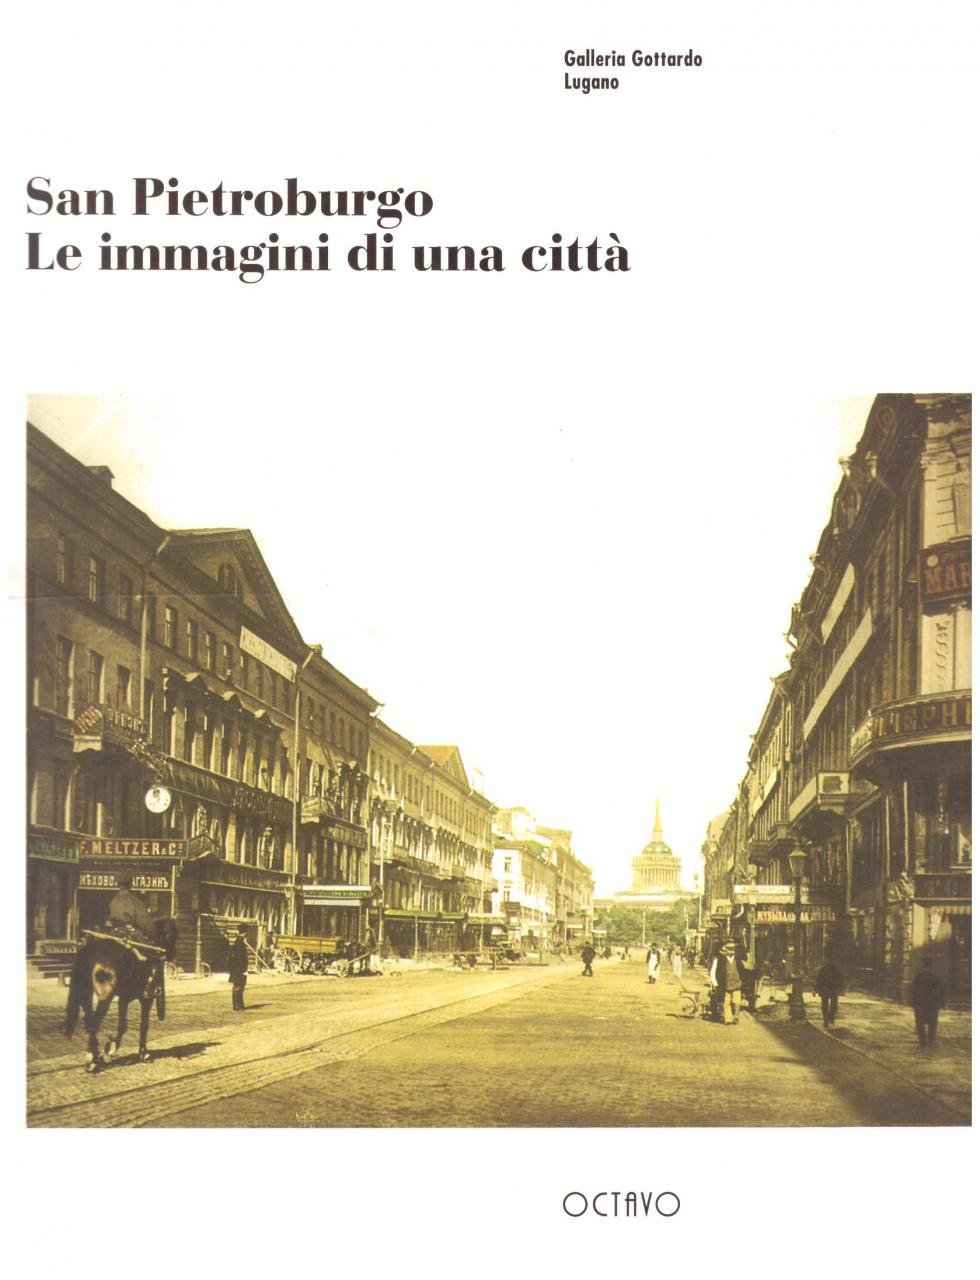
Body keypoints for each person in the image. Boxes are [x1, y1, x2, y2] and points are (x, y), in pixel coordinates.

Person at [107, 875, 157, 956]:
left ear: (118, 885)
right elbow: (145, 923)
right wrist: (153, 934)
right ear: (131, 886)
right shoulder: (135, 902)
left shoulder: (113, 901)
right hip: (131, 933)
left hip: (114, 932)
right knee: (149, 953)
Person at [911, 956, 945, 1047]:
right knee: (932, 1023)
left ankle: (922, 1041)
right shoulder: (935, 977)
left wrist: (912, 1002)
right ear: (931, 966)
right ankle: (931, 1041)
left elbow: (913, 990)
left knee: (920, 1022)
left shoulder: (918, 976)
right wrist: (942, 1002)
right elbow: (940, 990)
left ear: (923, 965)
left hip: (920, 1004)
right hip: (932, 1004)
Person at [709, 939, 742, 1024]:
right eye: (729, 949)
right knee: (726, 1003)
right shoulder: (719, 959)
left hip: (737, 984)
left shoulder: (738, 959)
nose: (732, 951)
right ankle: (728, 1019)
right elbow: (712, 972)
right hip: (724, 985)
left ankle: (736, 1017)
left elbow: (742, 971)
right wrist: (715, 983)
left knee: (737, 1002)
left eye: (733, 949)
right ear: (725, 950)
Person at [813, 958, 846, 1028]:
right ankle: (826, 1021)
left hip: (833, 989)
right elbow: (818, 980)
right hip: (825, 989)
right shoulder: (823, 969)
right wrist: (815, 990)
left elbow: (841, 979)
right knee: (825, 1006)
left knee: (834, 1006)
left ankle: (831, 1016)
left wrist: (842, 989)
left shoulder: (837, 969)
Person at [229, 923, 249, 1011]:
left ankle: (238, 1005)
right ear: (244, 933)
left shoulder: (238, 941)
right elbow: (241, 957)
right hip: (239, 968)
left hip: (236, 968)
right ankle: (238, 1005)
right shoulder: (240, 943)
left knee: (238, 986)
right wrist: (243, 969)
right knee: (239, 986)